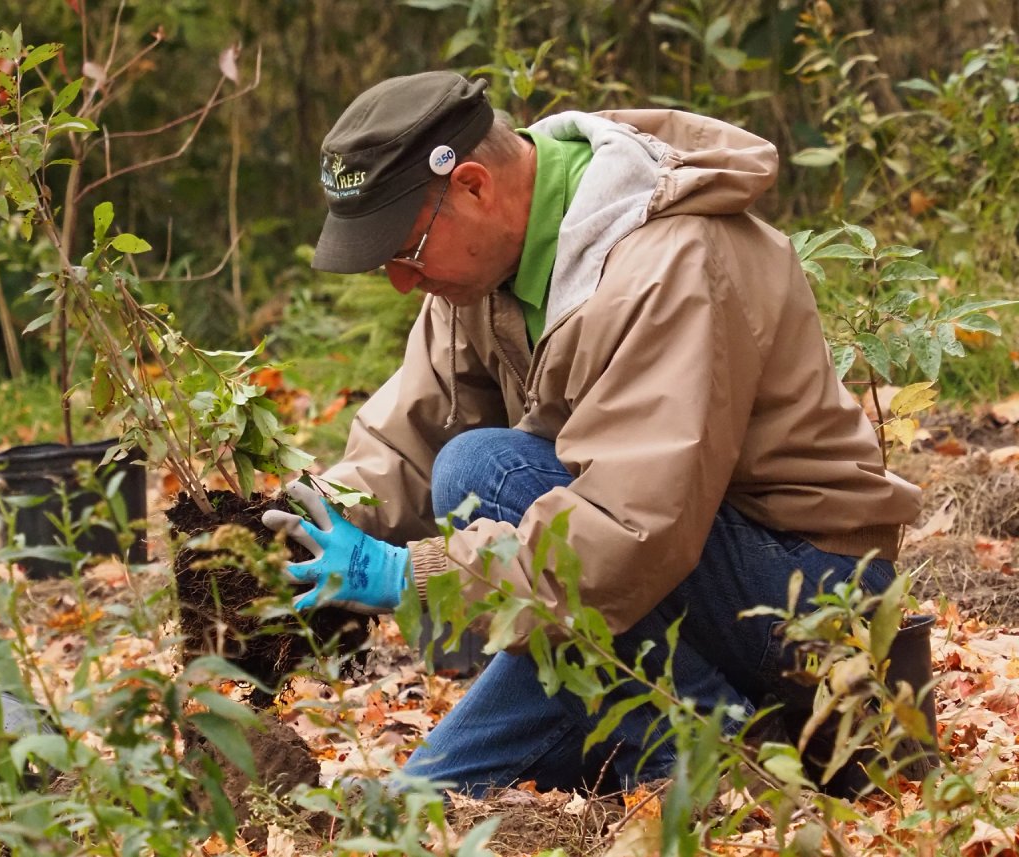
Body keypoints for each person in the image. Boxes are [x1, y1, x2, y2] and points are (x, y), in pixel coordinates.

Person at [262, 71, 922, 796]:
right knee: (485, 506)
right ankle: (460, 784)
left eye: (405, 249)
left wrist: (409, 575)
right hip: (678, 592)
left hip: (812, 597)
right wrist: (304, 525)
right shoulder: (480, 272)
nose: (399, 278)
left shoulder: (668, 262)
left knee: (488, 472)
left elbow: (627, 530)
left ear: (474, 187)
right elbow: (409, 439)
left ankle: (711, 753)